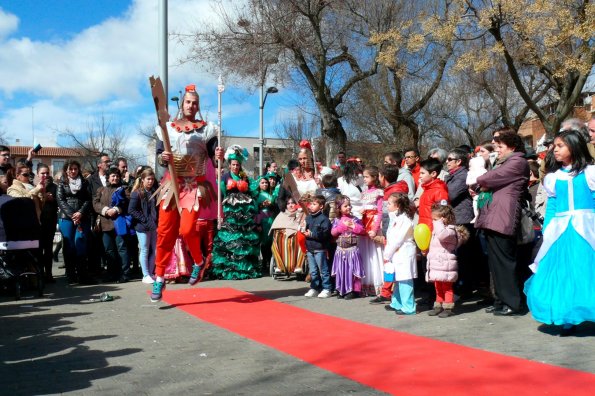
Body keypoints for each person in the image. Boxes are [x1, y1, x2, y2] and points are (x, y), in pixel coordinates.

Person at [151, 84, 224, 302]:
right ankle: (159, 276)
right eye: (188, 102)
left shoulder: (206, 129)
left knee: (187, 229)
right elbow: (158, 154)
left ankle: (199, 262)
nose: (191, 106)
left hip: (193, 185)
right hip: (171, 184)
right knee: (164, 231)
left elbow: (213, 153)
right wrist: (162, 157)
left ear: (198, 106)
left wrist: (218, 153)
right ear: (182, 104)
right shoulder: (167, 128)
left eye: (195, 103)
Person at [524, 129, 595, 336]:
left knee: (585, 270)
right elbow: (553, 205)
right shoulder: (553, 178)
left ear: (574, 146)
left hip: (587, 227)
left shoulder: (590, 173)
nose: (555, 150)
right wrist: (549, 229)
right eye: (554, 146)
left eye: (560, 146)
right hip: (561, 231)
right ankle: (566, 317)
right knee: (562, 273)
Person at [475, 132, 529, 316]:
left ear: (512, 147)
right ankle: (500, 300)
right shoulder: (505, 162)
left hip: (503, 217)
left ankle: (512, 303)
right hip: (494, 216)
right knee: (495, 263)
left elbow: (486, 179)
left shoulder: (518, 161)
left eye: (500, 147)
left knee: (505, 263)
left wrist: (483, 180)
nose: (496, 150)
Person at [211, 145, 261, 280]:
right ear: (229, 164)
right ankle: (231, 268)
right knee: (232, 238)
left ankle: (244, 268)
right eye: (233, 164)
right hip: (230, 210)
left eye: (237, 164)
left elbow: (251, 190)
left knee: (243, 238)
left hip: (244, 211)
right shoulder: (225, 176)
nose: (235, 167)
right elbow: (220, 193)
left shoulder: (244, 176)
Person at [369, 163, 410, 304]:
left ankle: (387, 292)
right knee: (390, 263)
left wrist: (386, 232)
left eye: (379, 175)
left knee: (390, 263)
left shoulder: (393, 193)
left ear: (383, 177)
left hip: (393, 232)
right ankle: (388, 291)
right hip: (391, 230)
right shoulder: (391, 190)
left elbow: (391, 216)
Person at [426, 203, 468, 318]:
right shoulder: (439, 230)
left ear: (443, 219)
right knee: (437, 285)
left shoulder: (450, 231)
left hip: (446, 264)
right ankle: (438, 305)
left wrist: (438, 223)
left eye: (435, 219)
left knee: (446, 287)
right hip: (437, 263)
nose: (433, 222)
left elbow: (442, 236)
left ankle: (448, 306)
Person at [444, 149, 475, 298]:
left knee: (463, 256)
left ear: (459, 162)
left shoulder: (462, 176)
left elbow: (449, 194)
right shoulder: (451, 176)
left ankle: (464, 287)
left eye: (450, 159)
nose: (447, 162)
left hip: (463, 219)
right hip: (455, 219)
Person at [56, 160, 93, 284]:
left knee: (80, 244)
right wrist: (72, 215)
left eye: (75, 169)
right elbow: (60, 200)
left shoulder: (85, 182)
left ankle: (83, 274)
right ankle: (71, 275)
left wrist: (80, 213)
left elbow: (88, 199)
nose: (73, 171)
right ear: (66, 170)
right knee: (69, 246)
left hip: (83, 218)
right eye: (70, 169)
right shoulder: (61, 183)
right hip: (66, 218)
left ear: (78, 170)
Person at [93, 168, 131, 283]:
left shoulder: (124, 189)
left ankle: (124, 273)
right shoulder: (101, 190)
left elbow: (128, 202)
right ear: (108, 178)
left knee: (122, 249)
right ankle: (111, 273)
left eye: (117, 176)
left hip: (119, 224)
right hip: (105, 224)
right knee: (109, 250)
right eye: (113, 176)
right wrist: (105, 210)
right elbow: (95, 203)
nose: (115, 178)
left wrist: (116, 209)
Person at [382, 193, 417, 315]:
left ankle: (409, 307)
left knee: (405, 280)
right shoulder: (396, 218)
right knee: (397, 279)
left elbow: (397, 239)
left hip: (403, 252)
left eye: (390, 203)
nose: (387, 206)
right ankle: (396, 303)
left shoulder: (404, 219)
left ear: (397, 206)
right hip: (396, 253)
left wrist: (387, 254)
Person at [331, 195, 366, 299]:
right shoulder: (337, 220)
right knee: (341, 270)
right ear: (339, 208)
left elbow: (362, 231)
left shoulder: (355, 219)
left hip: (352, 250)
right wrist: (342, 226)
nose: (349, 207)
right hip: (340, 250)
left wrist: (353, 226)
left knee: (353, 270)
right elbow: (333, 233)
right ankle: (341, 289)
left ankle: (354, 290)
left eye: (349, 205)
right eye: (345, 206)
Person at [128, 168, 158, 284]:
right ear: (142, 180)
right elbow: (131, 210)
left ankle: (150, 273)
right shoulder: (137, 193)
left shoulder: (154, 191)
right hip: (142, 227)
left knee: (154, 250)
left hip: (153, 226)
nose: (150, 181)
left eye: (152, 179)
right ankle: (145, 274)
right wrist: (144, 220)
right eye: (148, 179)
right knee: (145, 249)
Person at [359, 166, 384, 297]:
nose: (364, 179)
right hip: (364, 224)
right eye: (363, 177)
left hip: (373, 225)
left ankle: (378, 283)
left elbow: (380, 212)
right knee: (366, 254)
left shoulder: (379, 192)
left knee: (374, 253)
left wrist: (375, 229)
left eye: (367, 176)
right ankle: (366, 283)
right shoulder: (363, 193)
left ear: (374, 177)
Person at [303, 195, 333, 298]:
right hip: (309, 248)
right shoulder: (308, 218)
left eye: (314, 204)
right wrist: (302, 229)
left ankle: (327, 288)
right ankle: (314, 287)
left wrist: (312, 234)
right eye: (310, 204)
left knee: (323, 270)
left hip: (320, 248)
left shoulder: (324, 219)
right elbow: (305, 231)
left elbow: (325, 235)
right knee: (313, 271)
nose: (311, 206)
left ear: (321, 206)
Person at [269, 196, 307, 275]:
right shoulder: (282, 214)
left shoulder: (301, 213)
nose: (290, 205)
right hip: (283, 236)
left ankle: (298, 266)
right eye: (288, 203)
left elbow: (303, 226)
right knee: (277, 238)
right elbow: (276, 227)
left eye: (292, 203)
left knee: (299, 239)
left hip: (296, 236)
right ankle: (279, 266)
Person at [35, 164, 58, 283]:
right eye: (42, 173)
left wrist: (52, 199)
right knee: (38, 249)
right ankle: (39, 274)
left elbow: (58, 202)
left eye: (47, 173)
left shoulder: (54, 187)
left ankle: (48, 273)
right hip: (37, 222)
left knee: (48, 249)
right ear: (38, 174)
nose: (45, 175)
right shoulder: (34, 186)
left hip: (50, 220)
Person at [416, 158, 449, 230]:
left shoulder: (439, 191)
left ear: (433, 174)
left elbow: (442, 214)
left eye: (422, 173)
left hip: (433, 230)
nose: (420, 176)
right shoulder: (427, 189)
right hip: (423, 229)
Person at [254, 176, 276, 275]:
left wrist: (270, 205)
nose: (265, 184)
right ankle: (263, 263)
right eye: (262, 183)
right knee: (263, 242)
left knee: (270, 242)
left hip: (270, 220)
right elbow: (256, 209)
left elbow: (274, 207)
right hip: (261, 220)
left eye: (266, 183)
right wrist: (262, 205)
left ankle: (269, 262)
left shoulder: (271, 194)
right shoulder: (257, 195)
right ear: (259, 184)